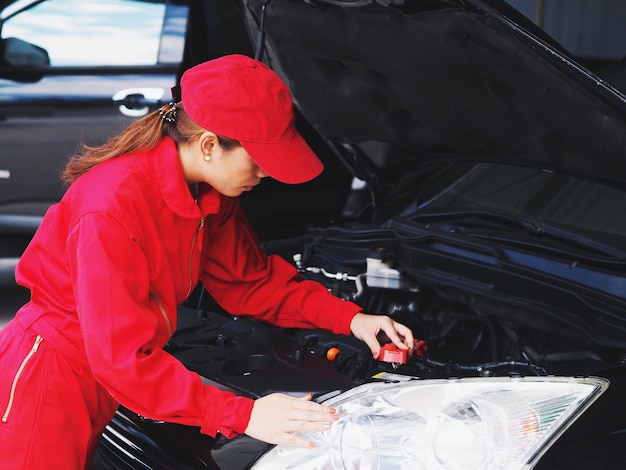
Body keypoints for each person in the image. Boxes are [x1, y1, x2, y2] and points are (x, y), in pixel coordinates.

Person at [0, 54, 413, 469]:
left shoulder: (209, 196)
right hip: (52, 377)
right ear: (210, 144)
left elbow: (250, 284)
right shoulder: (111, 206)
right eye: (258, 160)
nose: (265, 174)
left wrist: (350, 319)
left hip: (107, 373)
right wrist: (244, 414)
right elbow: (119, 357)